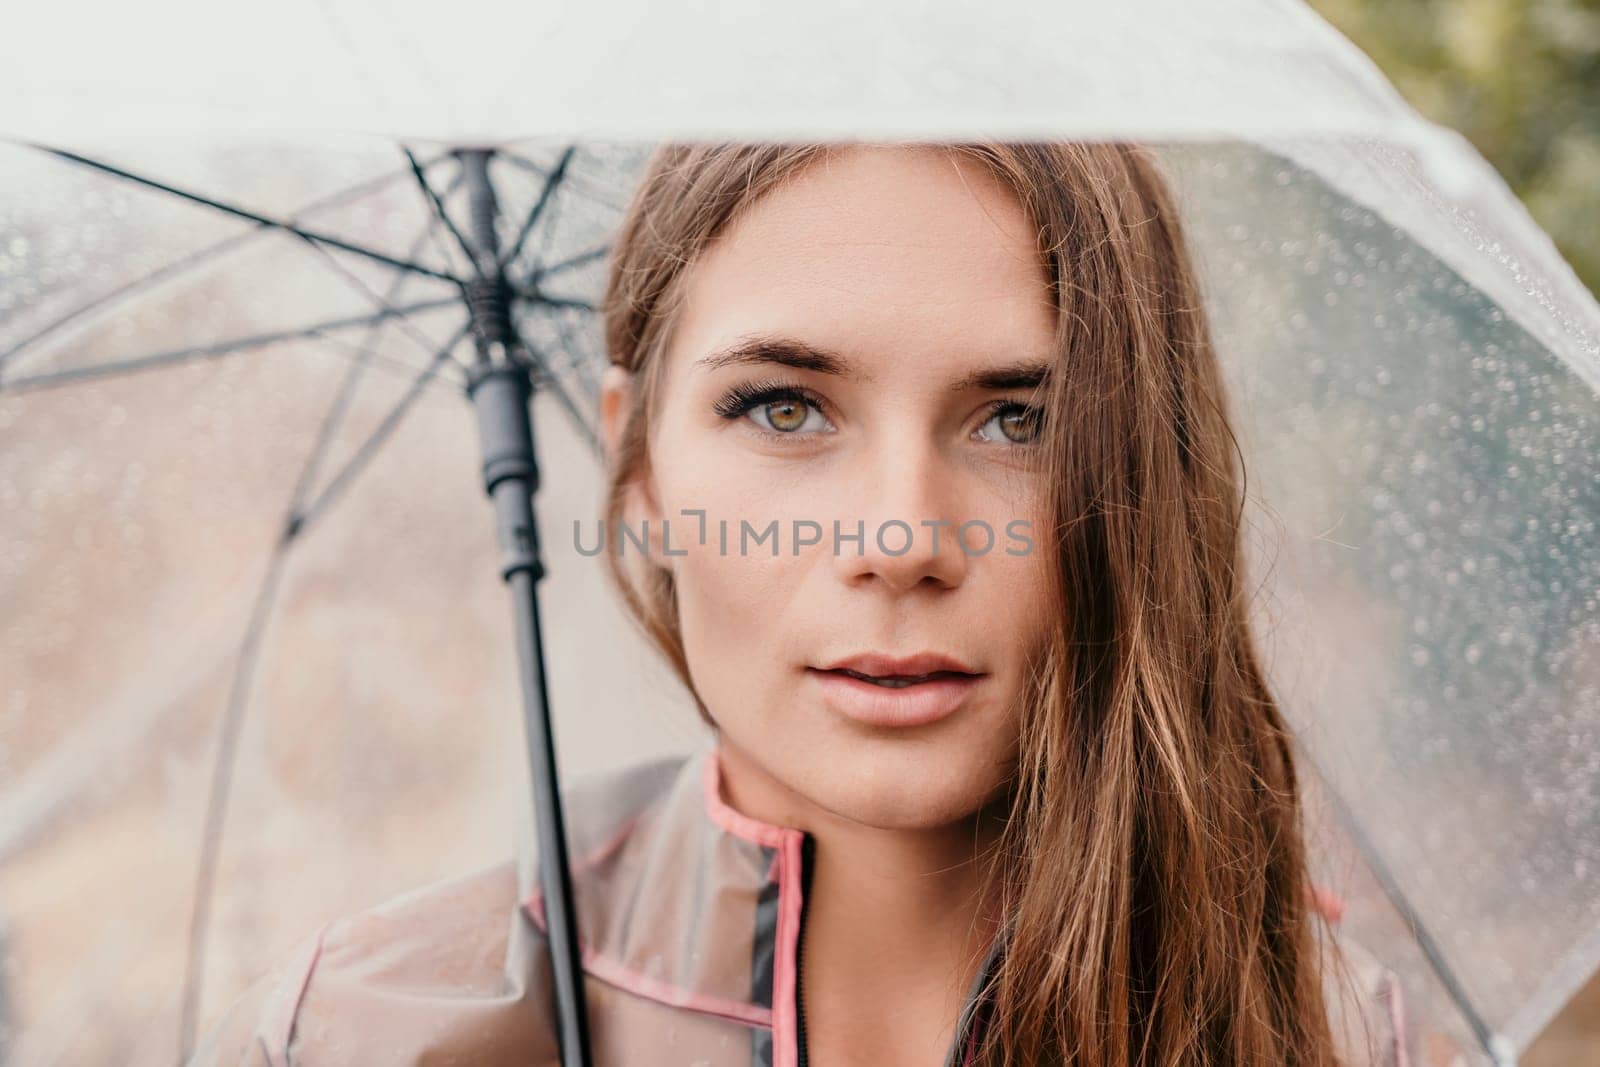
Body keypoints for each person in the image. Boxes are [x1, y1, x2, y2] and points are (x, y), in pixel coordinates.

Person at [186, 141, 1410, 1066]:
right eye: (784, 406)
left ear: (1144, 477)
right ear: (642, 467)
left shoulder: (1331, 1032)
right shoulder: (360, 1032)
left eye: (1020, 420)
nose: (902, 540)